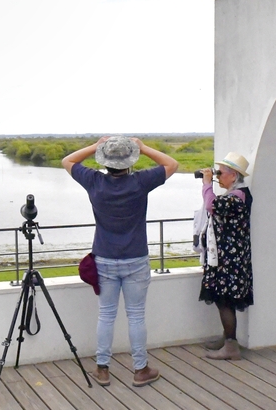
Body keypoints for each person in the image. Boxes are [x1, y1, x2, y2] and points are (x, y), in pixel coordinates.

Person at [62, 136, 177, 387]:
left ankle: (103, 368)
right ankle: (140, 369)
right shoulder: (140, 182)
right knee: (136, 316)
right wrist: (144, 147)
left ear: (105, 162)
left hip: (104, 258)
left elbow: (67, 160)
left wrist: (96, 145)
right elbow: (172, 164)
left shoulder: (94, 181)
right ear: (130, 161)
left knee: (106, 315)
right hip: (135, 258)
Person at [198, 152, 254, 360]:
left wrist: (206, 184)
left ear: (233, 175)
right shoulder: (239, 194)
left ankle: (231, 346)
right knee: (224, 299)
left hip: (229, 260)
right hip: (229, 257)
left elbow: (211, 205)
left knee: (225, 300)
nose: (217, 176)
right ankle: (227, 337)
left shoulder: (235, 198)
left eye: (220, 173)